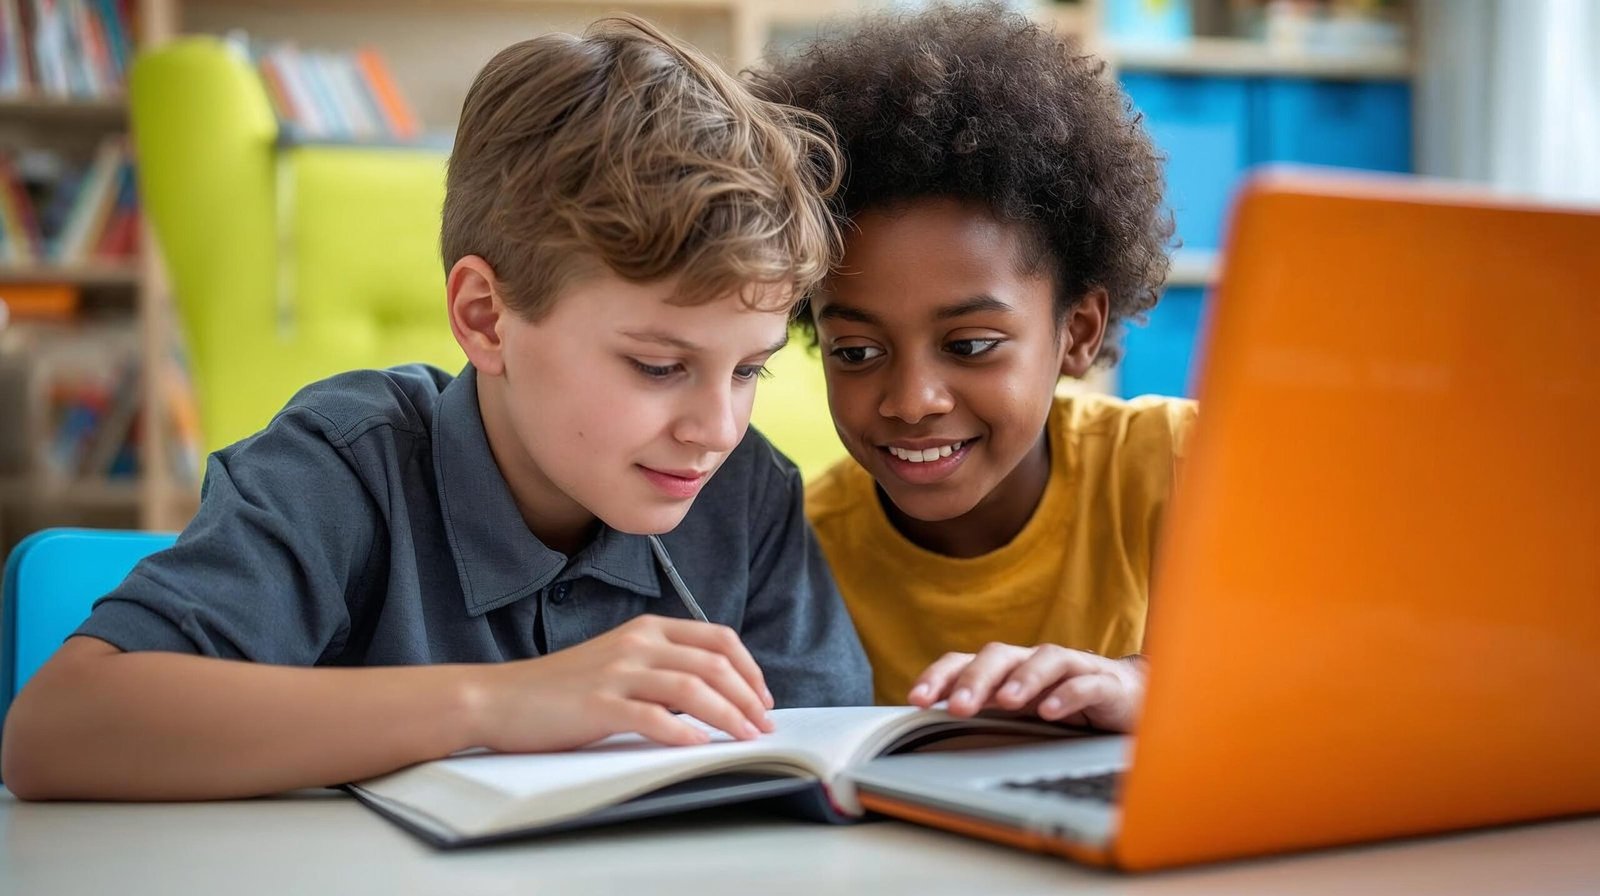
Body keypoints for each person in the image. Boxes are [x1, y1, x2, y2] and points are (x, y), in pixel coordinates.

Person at [2, 16, 870, 801]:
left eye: (749, 370)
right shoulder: (343, 466)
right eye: (658, 366)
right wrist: (499, 703)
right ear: (486, 318)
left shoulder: (747, 495)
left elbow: (821, 772)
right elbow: (58, 732)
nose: (717, 429)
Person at [757, 3, 1193, 732]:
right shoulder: (800, 556)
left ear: (1078, 331)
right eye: (857, 353)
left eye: (969, 345)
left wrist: (1148, 685)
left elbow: (1336, 680)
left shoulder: (1184, 467)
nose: (912, 401)